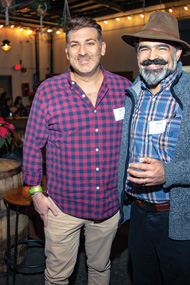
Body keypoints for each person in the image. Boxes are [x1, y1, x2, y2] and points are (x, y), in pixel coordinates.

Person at [117, 11, 190, 285]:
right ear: (137, 56)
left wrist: (168, 173)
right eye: (144, 49)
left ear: (178, 53)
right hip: (138, 215)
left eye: (162, 48)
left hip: (182, 220)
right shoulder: (132, 95)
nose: (152, 56)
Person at [23, 17, 131, 285]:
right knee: (58, 276)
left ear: (102, 47)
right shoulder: (49, 91)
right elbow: (32, 145)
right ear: (67, 51)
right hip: (63, 209)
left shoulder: (126, 90)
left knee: (100, 268)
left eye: (89, 43)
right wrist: (35, 192)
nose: (82, 51)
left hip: (108, 206)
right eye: (75, 45)